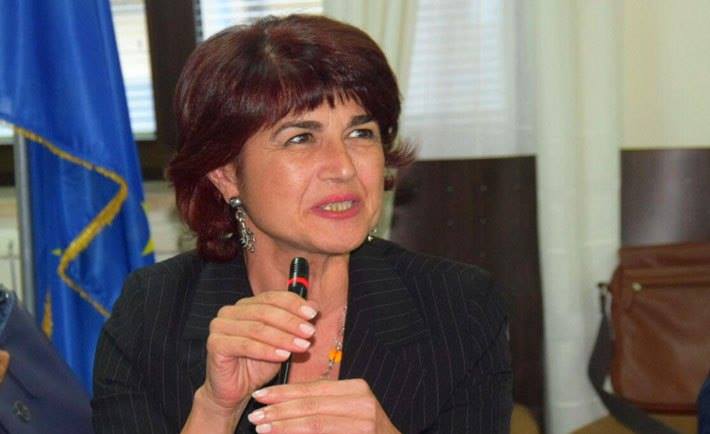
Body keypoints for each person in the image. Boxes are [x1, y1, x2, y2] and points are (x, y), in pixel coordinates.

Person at [92, 14, 512, 433]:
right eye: (301, 138)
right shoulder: (152, 314)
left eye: (361, 134)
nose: (343, 167)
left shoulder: (459, 307)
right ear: (226, 174)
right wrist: (215, 409)